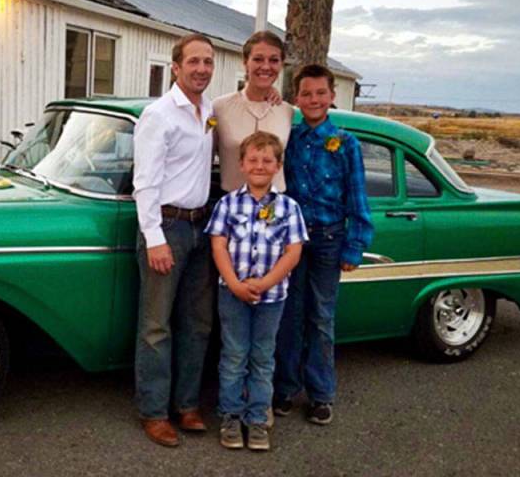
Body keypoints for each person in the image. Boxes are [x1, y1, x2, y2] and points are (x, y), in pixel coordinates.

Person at [273, 64, 374, 426]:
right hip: (291, 238)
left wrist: (355, 244)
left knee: (321, 316)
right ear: (296, 98)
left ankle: (320, 393)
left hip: (329, 239)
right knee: (289, 314)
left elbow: (357, 197)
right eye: (306, 94)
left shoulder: (346, 143)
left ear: (332, 97)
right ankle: (285, 387)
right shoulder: (290, 138)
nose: (313, 100)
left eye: (320, 93)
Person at [132, 33, 218, 447]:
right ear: (176, 67)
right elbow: (145, 182)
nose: (202, 69)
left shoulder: (210, 111)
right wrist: (154, 238)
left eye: (208, 62)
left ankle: (187, 405)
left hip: (202, 226)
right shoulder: (159, 115)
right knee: (156, 326)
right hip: (166, 227)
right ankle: (154, 412)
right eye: (194, 61)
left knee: (197, 323)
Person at [205, 131, 307, 451]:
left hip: (271, 297)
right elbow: (218, 246)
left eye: (267, 160)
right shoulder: (227, 204)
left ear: (278, 166)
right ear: (241, 164)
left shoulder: (288, 207)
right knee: (234, 355)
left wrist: (265, 283)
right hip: (231, 294)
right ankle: (231, 416)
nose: (259, 166)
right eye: (253, 160)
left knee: (263, 357)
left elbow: (293, 252)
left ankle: (258, 418)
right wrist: (235, 284)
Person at [213, 31, 293, 193]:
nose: (266, 66)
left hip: (276, 203)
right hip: (231, 202)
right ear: (245, 61)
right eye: (258, 59)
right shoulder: (219, 108)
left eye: (274, 60)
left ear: (281, 64)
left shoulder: (286, 111)